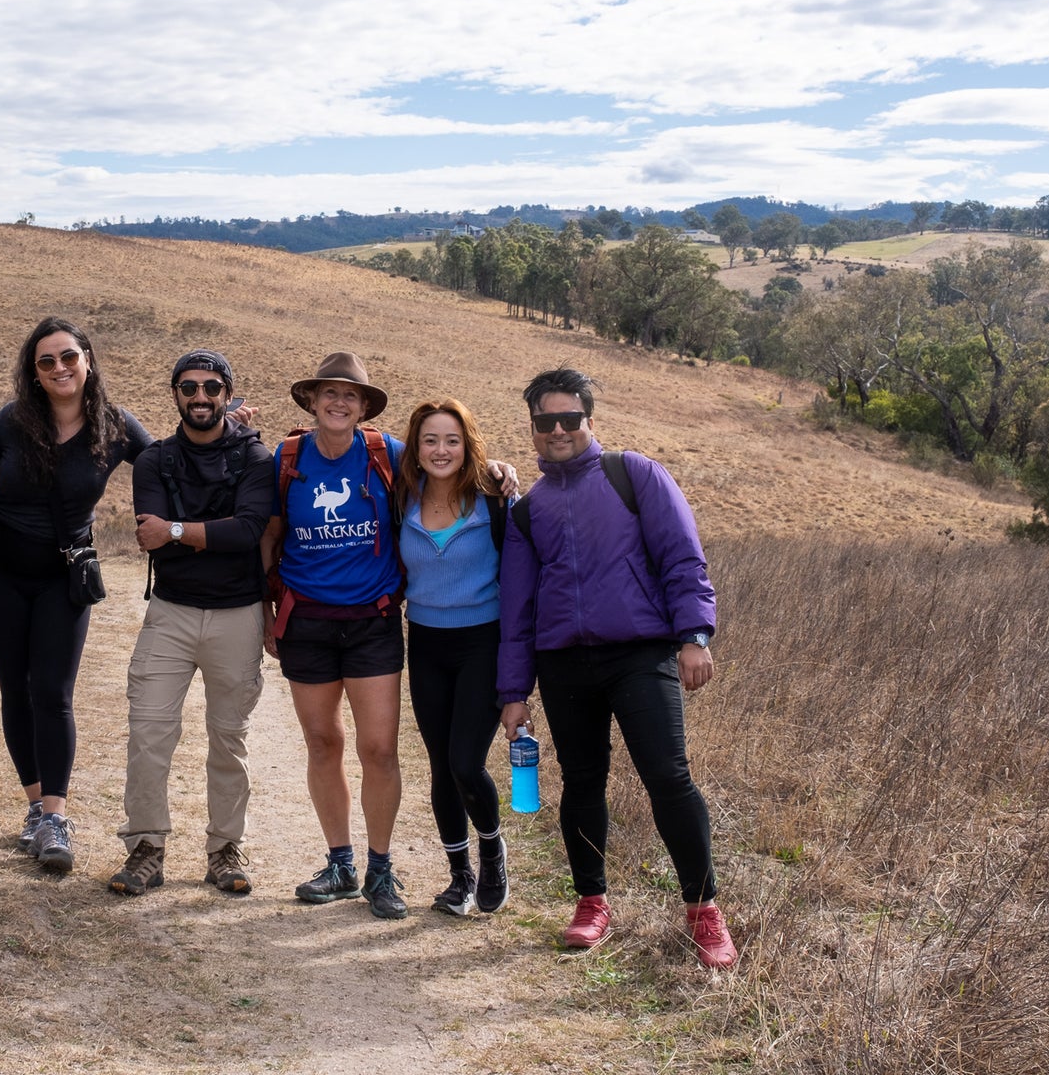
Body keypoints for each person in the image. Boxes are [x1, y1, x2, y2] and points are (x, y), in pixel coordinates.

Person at [496, 367, 736, 969]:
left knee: (668, 777)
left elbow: (683, 558)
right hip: (563, 664)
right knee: (581, 783)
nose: (558, 430)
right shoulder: (526, 512)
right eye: (546, 421)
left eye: (569, 419)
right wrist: (513, 691)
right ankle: (591, 903)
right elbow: (517, 611)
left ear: (588, 420)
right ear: (532, 429)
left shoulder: (635, 474)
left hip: (639, 654)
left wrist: (694, 635)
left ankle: (704, 911)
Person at [0, 317, 152, 874]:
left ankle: (55, 817)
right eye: (46, 360)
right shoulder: (11, 421)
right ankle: (34, 807)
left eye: (69, 356)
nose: (59, 368)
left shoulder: (116, 425)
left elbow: (168, 464)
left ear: (88, 360)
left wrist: (229, 435)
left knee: (52, 690)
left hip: (64, 574)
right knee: (15, 686)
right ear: (34, 371)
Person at [110, 350, 273, 898]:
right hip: (171, 614)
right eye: (188, 387)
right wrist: (205, 534)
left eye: (211, 387)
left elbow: (247, 532)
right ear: (176, 394)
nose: (200, 397)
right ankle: (146, 848)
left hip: (238, 616)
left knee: (229, 739)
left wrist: (177, 530)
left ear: (227, 393)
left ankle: (225, 849)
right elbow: (149, 537)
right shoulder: (154, 461)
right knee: (148, 733)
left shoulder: (255, 457)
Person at [260, 352, 412, 919]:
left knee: (379, 748)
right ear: (312, 400)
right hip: (307, 623)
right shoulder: (287, 459)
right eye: (330, 392)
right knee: (323, 742)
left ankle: (381, 869)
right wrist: (266, 610)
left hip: (373, 621)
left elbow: (446, 474)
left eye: (351, 395)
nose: (339, 402)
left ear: (364, 406)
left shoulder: (386, 454)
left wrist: (495, 468)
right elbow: (270, 536)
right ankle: (340, 864)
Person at [396, 398, 513, 917]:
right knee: (442, 767)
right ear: (416, 448)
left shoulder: (493, 499)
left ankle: (492, 852)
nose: (440, 450)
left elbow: (520, 575)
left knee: (466, 762)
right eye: (430, 440)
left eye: (452, 440)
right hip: (425, 643)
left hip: (482, 642)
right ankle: (460, 877)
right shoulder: (400, 496)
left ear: (468, 446)